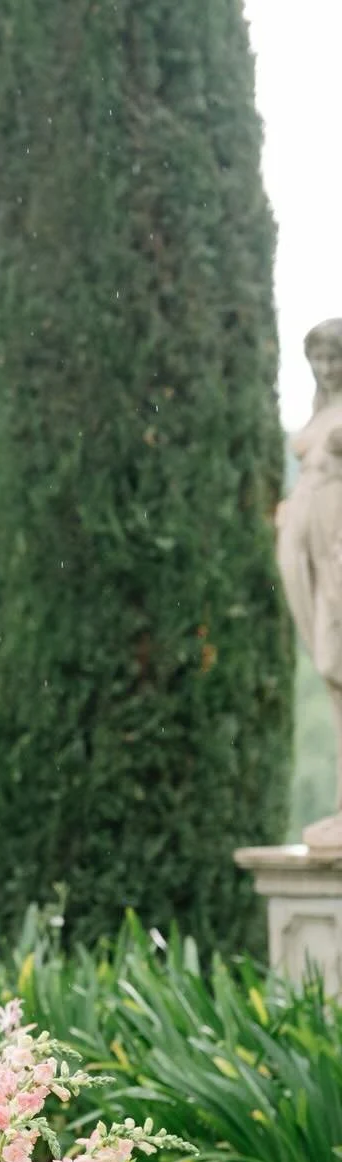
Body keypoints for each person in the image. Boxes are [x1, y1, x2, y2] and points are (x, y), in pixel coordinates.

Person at [279, 318, 342, 839]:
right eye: (318, 359)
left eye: (334, 357)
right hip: (312, 552)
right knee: (330, 670)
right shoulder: (320, 412)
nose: (326, 368)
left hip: (337, 546)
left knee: (335, 661)